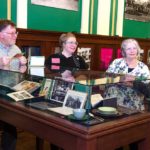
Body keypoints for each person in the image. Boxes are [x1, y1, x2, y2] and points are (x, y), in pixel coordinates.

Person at [45, 32, 88, 150]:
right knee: (56, 128)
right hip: (58, 96)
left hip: (75, 96)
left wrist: (77, 77)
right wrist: (61, 74)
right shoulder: (54, 58)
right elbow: (50, 74)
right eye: (71, 42)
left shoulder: (79, 59)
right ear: (63, 44)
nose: (74, 45)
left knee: (71, 127)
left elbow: (86, 75)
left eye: (75, 42)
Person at [106, 39, 150, 150]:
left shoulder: (143, 68)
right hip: (113, 105)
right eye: (128, 48)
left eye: (134, 48)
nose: (132, 51)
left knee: (133, 138)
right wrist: (117, 79)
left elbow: (148, 90)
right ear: (124, 51)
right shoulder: (116, 62)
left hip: (133, 108)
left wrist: (133, 84)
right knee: (114, 139)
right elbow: (106, 77)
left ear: (138, 50)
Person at [0, 19, 27, 150]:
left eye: (16, 33)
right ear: (1, 35)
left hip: (11, 92)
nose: (15, 36)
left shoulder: (15, 48)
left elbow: (19, 73)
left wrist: (23, 63)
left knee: (11, 124)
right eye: (11, 33)